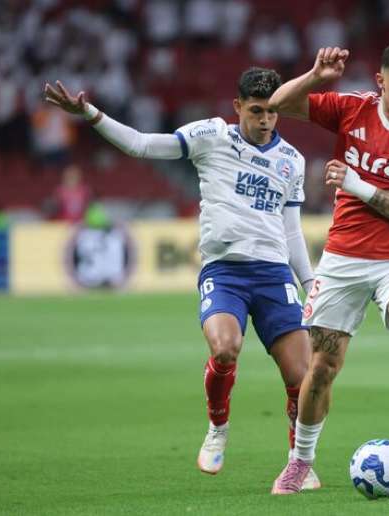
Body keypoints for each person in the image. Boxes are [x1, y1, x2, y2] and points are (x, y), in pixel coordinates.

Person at [43, 68, 321, 489]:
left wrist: (311, 285)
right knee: (225, 349)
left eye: (273, 112)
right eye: (256, 111)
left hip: (273, 273)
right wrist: (91, 114)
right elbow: (140, 144)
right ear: (238, 107)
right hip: (224, 271)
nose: (265, 120)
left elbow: (292, 231)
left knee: (301, 377)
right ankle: (218, 428)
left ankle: (298, 461)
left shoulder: (292, 161)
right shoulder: (212, 136)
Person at [267, 41, 389, 494]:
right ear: (381, 82)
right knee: (323, 367)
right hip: (342, 259)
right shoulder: (352, 109)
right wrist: (315, 77)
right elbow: (277, 104)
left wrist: (357, 185)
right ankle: (300, 462)